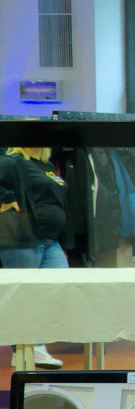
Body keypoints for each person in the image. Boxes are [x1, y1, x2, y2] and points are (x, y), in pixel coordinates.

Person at [0, 147, 74, 368]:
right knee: (23, 296)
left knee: (55, 291)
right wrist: (6, 199)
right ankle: (29, 348)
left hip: (50, 240)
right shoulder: (10, 162)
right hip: (22, 238)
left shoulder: (48, 166)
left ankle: (32, 346)